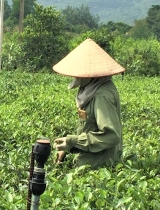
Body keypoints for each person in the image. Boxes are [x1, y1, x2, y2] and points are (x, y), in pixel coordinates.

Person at [52, 38, 125, 169]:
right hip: (88, 162)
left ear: (91, 73)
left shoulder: (101, 96)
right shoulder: (90, 88)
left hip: (100, 168)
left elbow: (111, 136)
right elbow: (89, 128)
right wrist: (68, 147)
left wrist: (73, 142)